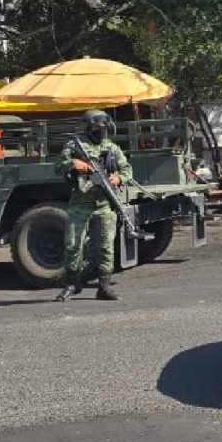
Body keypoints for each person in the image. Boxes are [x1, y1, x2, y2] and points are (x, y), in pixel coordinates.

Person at [55, 110, 133, 302]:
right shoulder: (75, 146)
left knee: (105, 245)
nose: (102, 132)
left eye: (104, 129)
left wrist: (118, 178)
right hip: (80, 203)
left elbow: (127, 170)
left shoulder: (111, 148)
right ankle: (72, 283)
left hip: (104, 203)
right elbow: (59, 166)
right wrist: (74, 164)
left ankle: (104, 286)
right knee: (73, 244)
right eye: (99, 128)